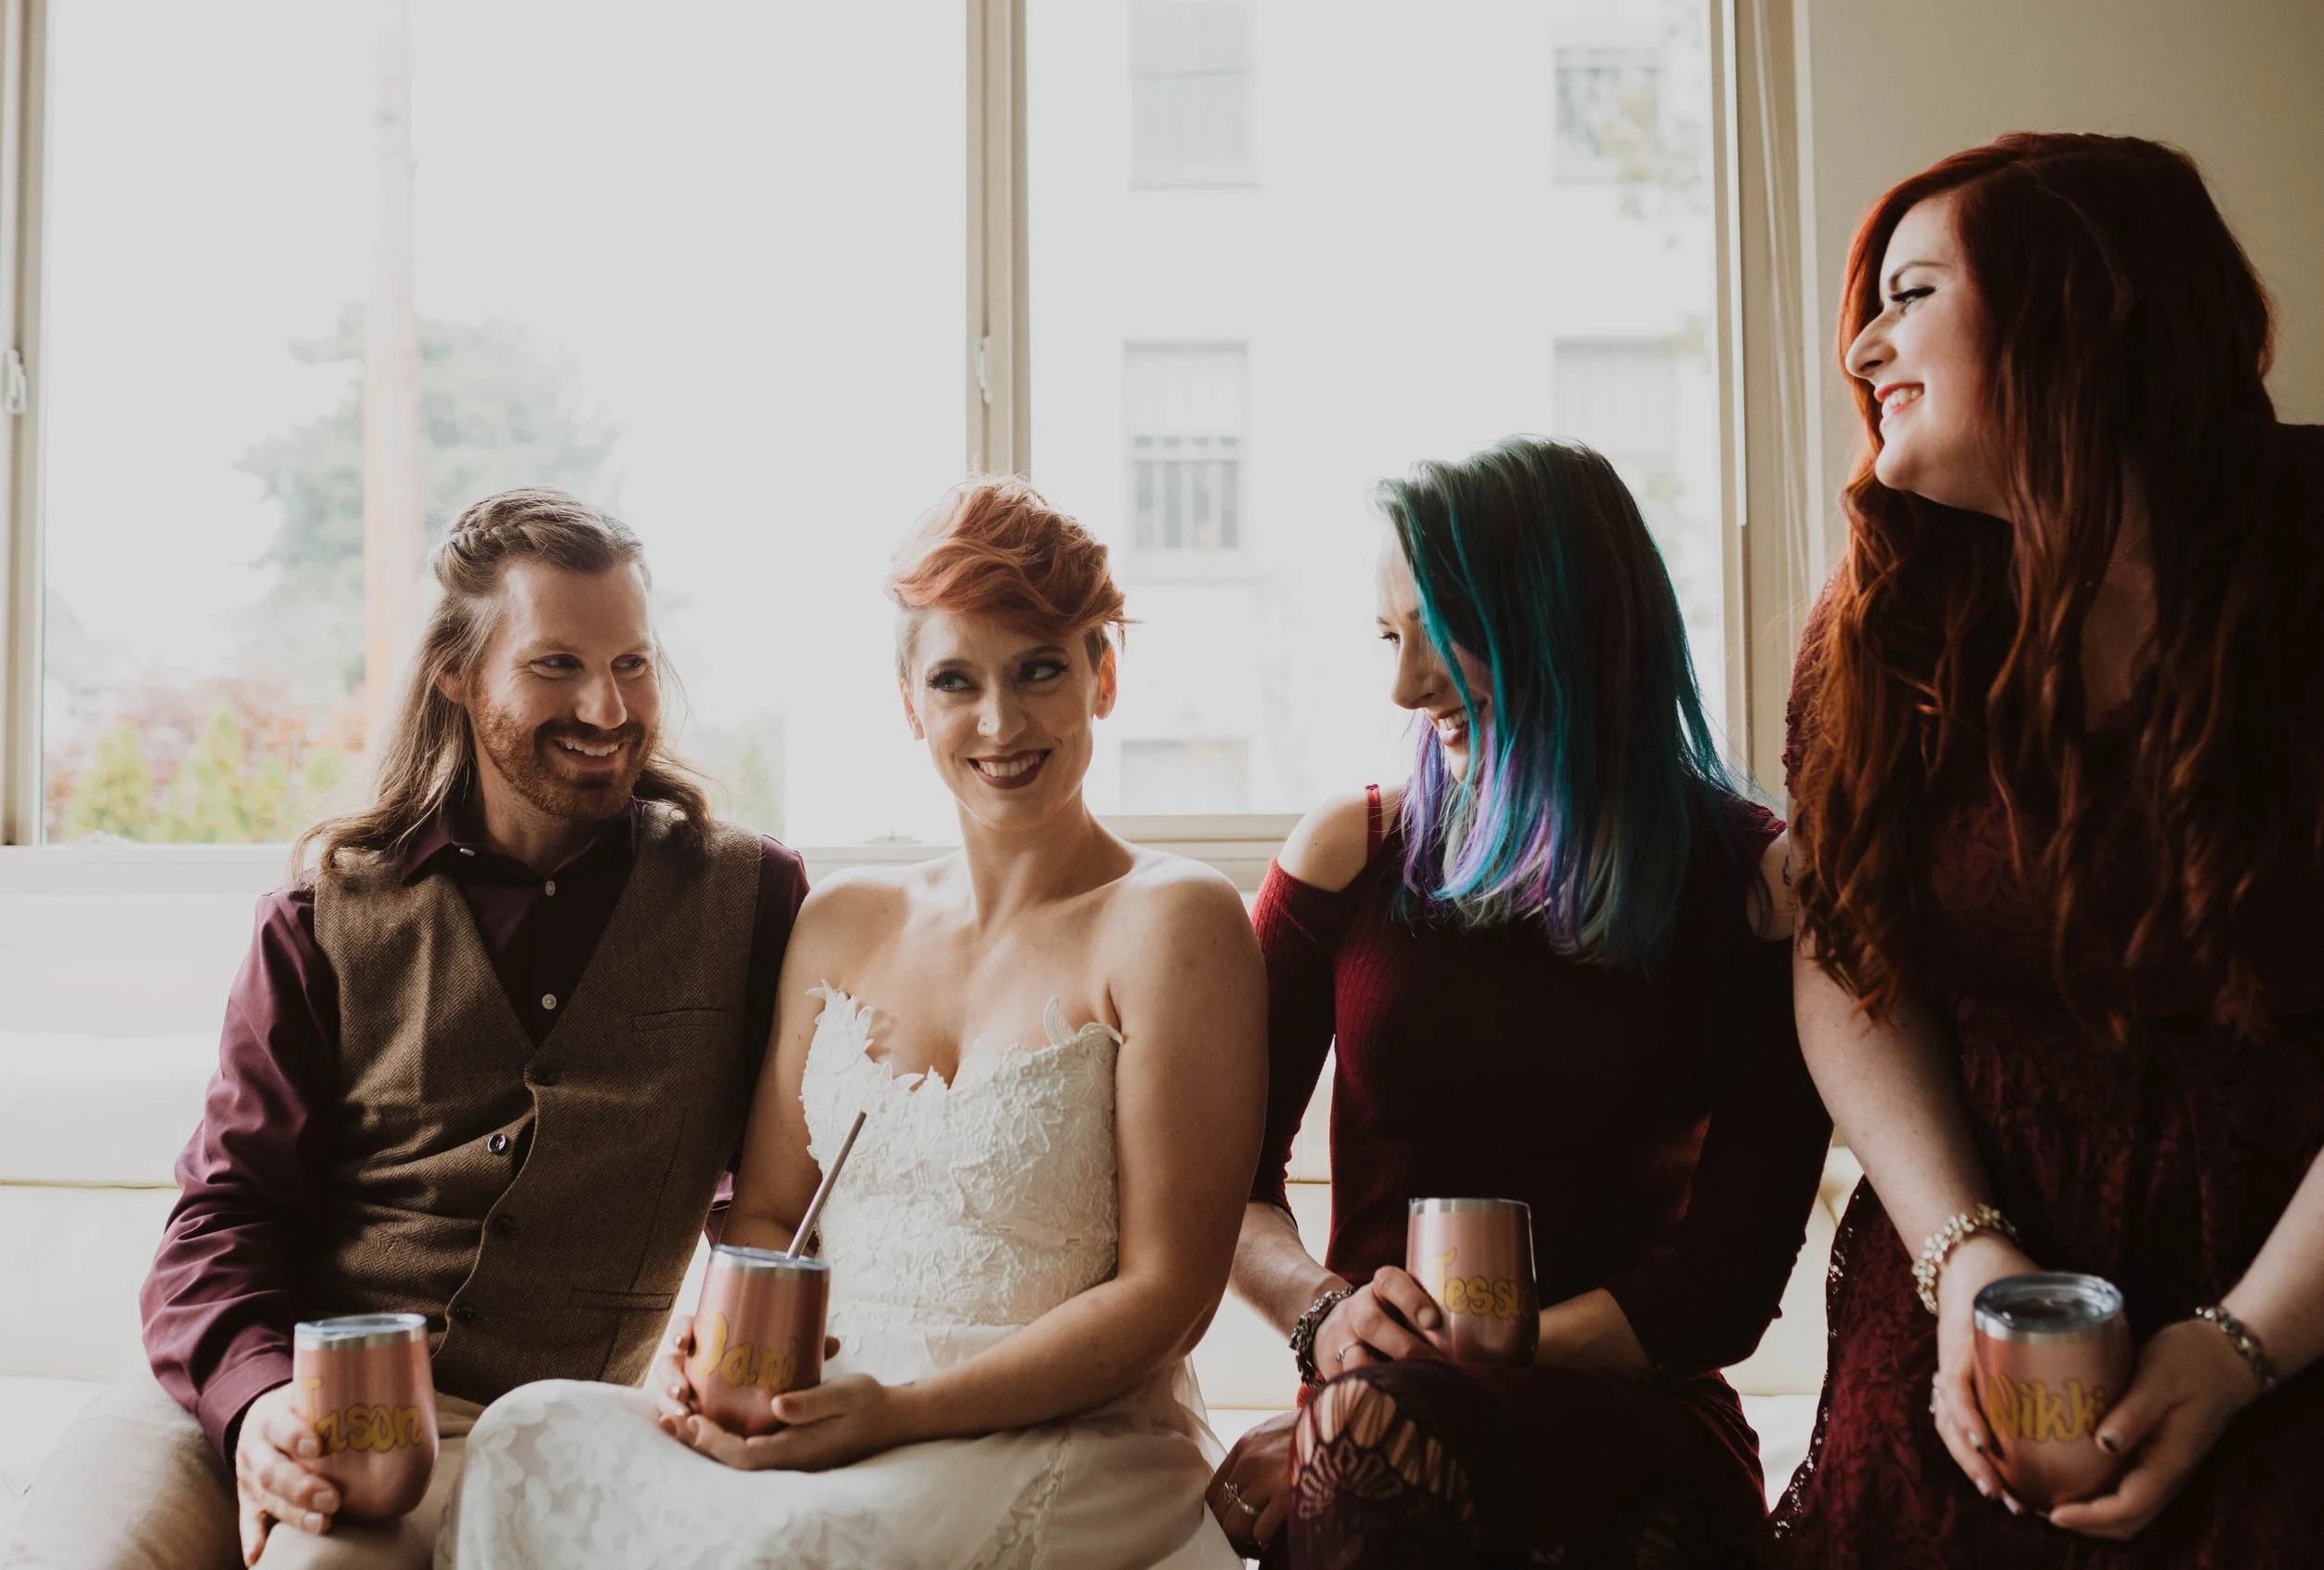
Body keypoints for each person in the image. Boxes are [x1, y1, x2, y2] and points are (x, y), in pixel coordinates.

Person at [442, 477, 1265, 1569]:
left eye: (1040, 671)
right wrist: (722, 1337)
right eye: (955, 680)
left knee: (794, 1547)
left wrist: (897, 1413)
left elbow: (1168, 1297)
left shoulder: (1174, 921)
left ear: (1102, 677)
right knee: (525, 1438)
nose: (1000, 723)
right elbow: (774, 1210)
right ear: (908, 701)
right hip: (822, 1403)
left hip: (1056, 1431)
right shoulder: (839, 923)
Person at [3, 489, 810, 1570]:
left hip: (504, 1428)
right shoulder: (321, 912)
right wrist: (258, 1410)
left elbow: (767, 1190)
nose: (609, 709)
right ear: (457, 673)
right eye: (556, 665)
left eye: (632, 664)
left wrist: (751, 1325)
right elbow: (223, 1216)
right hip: (241, 1390)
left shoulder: (751, 899)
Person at [1775, 133, 2324, 1566]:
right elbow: (1848, 962)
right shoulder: (1884, 623)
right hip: (1980, 1250)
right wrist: (1963, 1261)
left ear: (2081, 306)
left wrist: (2244, 1347)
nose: (1862, 341)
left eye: (1911, 291)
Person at [1207, 436, 1833, 1568]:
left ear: (1564, 621)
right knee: (1370, 1457)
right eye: (1389, 637)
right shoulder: (1352, 855)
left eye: (1438, 634)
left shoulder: (1756, 888)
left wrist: (1411, 1389)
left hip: (1627, 1413)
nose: (1402, 686)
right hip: (1375, 1421)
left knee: (1366, 1454)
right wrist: (1323, 1319)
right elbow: (1221, 1183)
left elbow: (1722, 1288)